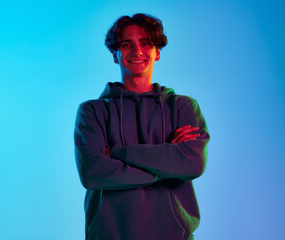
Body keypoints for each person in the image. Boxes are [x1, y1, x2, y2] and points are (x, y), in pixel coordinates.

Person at [74, 13, 210, 240]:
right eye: (127, 44)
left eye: (146, 43)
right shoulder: (92, 111)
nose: (137, 51)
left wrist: (118, 153)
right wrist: (166, 167)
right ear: (116, 55)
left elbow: (193, 164)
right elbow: (92, 173)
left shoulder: (183, 107)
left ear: (157, 53)